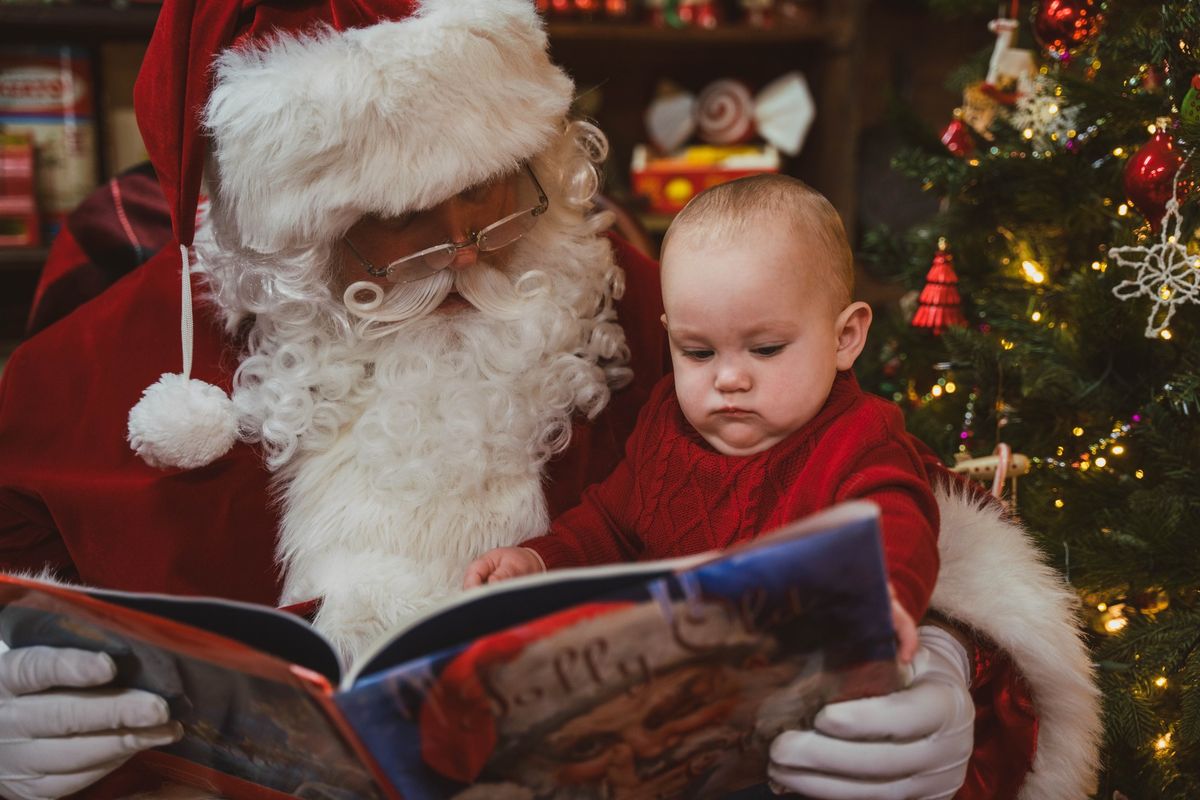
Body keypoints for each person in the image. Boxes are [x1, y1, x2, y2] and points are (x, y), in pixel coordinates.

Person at [0, 0, 1100, 798]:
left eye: (504, 185)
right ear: (286, 237)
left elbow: (880, 490)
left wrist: (950, 672)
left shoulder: (634, 303)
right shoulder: (97, 370)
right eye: (413, 226)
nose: (478, 247)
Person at [466, 175, 935, 666]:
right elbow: (609, 524)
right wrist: (539, 561)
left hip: (792, 672)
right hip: (671, 674)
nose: (729, 378)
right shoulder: (667, 424)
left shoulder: (857, 439)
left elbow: (899, 525)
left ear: (845, 338)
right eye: (698, 352)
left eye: (766, 349)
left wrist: (881, 598)